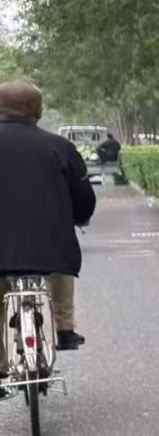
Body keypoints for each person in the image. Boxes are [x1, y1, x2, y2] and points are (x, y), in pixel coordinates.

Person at [0, 79, 95, 351]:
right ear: (38, 111)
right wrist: (79, 217)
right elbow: (84, 200)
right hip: (51, 249)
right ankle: (64, 329)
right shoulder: (60, 147)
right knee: (59, 266)